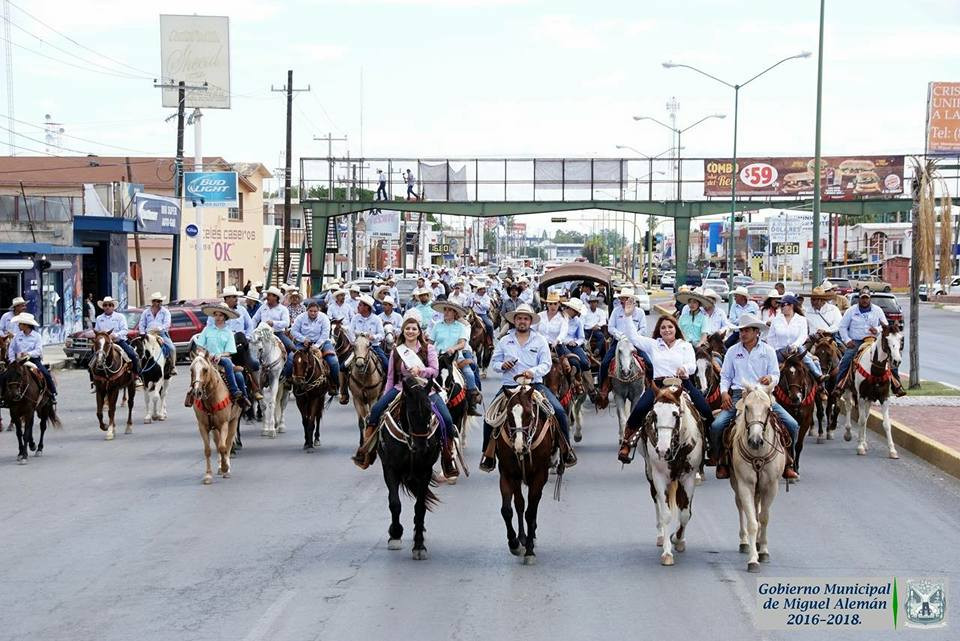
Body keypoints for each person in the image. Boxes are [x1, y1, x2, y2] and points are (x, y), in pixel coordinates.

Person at [355, 314, 459, 475]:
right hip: (401, 388)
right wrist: (385, 396)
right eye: (407, 329)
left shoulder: (428, 349)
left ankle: (447, 456)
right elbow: (390, 377)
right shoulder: (396, 352)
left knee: (447, 419)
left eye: (414, 329)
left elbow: (435, 371)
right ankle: (367, 451)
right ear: (403, 331)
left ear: (419, 332)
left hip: (425, 388)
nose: (410, 331)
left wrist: (420, 371)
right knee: (375, 412)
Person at [479, 303, 577, 472]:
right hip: (509, 386)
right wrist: (503, 366)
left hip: (534, 386)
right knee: (490, 418)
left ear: (530, 321)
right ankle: (487, 454)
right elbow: (494, 363)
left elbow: (546, 364)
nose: (522, 321)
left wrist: (532, 372)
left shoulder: (539, 340)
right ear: (514, 321)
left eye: (525, 318)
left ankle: (566, 450)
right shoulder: (504, 340)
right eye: (519, 318)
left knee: (559, 412)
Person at [707, 313, 799, 480]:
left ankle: (788, 463)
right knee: (716, 426)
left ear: (757, 332)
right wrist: (724, 393)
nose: (743, 334)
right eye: (741, 331)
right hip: (738, 396)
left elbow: (775, 374)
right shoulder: (732, 352)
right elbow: (725, 376)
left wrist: (770, 378)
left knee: (792, 425)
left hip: (764, 396)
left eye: (747, 330)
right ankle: (721, 460)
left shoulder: (768, 350)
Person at [620, 315, 713, 461]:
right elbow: (633, 337)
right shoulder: (653, 344)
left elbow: (693, 366)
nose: (667, 330)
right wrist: (628, 315)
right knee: (639, 409)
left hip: (681, 384)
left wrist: (684, 368)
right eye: (663, 327)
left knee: (705, 409)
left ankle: (710, 444)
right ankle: (627, 443)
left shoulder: (685, 345)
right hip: (659, 385)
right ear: (659, 330)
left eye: (670, 327)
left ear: (676, 329)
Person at [836, 288, 905, 396]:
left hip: (874, 340)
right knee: (846, 359)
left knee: (891, 357)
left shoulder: (877, 310)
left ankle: (897, 385)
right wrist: (847, 340)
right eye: (862, 298)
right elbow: (842, 326)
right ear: (859, 299)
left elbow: (885, 326)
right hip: (856, 341)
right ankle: (839, 386)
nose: (864, 300)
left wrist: (877, 329)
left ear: (870, 299)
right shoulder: (851, 311)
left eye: (866, 298)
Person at [188, 304, 250, 409]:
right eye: (216, 315)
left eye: (220, 315)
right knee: (196, 369)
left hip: (222, 359)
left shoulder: (229, 332)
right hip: (207, 359)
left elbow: (229, 351)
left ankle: (241, 397)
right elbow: (199, 346)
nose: (218, 317)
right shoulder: (207, 329)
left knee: (238, 375)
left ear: (225, 317)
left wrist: (219, 355)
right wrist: (207, 354)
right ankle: (190, 393)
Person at [430, 300, 482, 415]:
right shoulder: (437, 326)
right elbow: (430, 342)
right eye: (445, 310)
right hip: (438, 357)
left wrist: (454, 348)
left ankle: (471, 403)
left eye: (449, 310)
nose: (446, 312)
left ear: (455, 313)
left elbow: (462, 343)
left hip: (455, 357)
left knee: (469, 373)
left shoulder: (460, 327)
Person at [213, 285, 262, 401]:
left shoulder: (242, 310)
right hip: (224, 347)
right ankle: (255, 388)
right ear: (226, 299)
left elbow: (249, 326)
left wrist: (248, 337)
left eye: (236, 297)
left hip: (241, 343)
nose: (236, 299)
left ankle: (253, 388)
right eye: (234, 297)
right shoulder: (216, 314)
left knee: (254, 362)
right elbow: (211, 330)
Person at [599, 287, 651, 391]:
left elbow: (643, 329)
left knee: (649, 363)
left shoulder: (640, 312)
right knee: (604, 363)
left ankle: (651, 388)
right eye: (622, 299)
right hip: (619, 342)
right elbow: (611, 327)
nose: (623, 301)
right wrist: (620, 336)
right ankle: (603, 388)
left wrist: (634, 337)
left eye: (626, 299)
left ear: (632, 300)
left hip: (635, 343)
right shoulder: (616, 311)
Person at [283, 299, 340, 391]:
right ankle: (288, 380)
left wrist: (316, 346)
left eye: (315, 311)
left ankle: (334, 384)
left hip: (322, 342)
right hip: (303, 343)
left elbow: (325, 334)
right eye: (311, 311)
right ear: (307, 310)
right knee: (291, 358)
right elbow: (294, 331)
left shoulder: (324, 318)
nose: (313, 313)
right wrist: (303, 339)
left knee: (333, 361)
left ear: (319, 311)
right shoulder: (300, 318)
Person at [767, 294, 824, 382]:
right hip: (780, 351)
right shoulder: (776, 320)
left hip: (797, 350)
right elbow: (770, 338)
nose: (781, 307)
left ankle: (821, 388)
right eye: (780, 305)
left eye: (783, 305)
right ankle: (818, 375)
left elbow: (803, 335)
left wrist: (795, 345)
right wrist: (773, 351)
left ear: (791, 306)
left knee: (816, 360)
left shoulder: (801, 319)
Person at [5, 312, 56, 402]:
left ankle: (52, 393)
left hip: (33, 360)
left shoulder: (37, 336)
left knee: (45, 374)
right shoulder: (17, 336)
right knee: (5, 375)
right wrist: (12, 360)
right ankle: (3, 396)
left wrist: (28, 353)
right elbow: (11, 349)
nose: (19, 325)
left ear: (26, 325)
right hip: (18, 361)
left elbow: (38, 350)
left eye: (20, 324)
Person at [94, 296, 140, 375]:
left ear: (113, 307)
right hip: (104, 344)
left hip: (118, 341)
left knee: (132, 355)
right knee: (91, 359)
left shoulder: (120, 317)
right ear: (103, 307)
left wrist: (115, 335)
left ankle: (136, 375)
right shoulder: (99, 318)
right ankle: (94, 378)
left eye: (110, 305)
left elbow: (125, 330)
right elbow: (97, 332)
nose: (107, 307)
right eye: (105, 305)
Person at [345, 294, 389, 373]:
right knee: (343, 366)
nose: (358, 306)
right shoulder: (355, 318)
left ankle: (386, 383)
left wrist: (374, 337)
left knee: (386, 364)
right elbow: (350, 332)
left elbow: (382, 335)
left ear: (367, 307)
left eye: (360, 305)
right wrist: (355, 342)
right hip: (358, 348)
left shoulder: (376, 319)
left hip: (373, 347)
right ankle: (343, 385)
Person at [137, 292, 176, 377]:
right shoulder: (146, 312)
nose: (158, 303)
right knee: (138, 349)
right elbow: (142, 323)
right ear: (152, 302)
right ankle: (138, 369)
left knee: (172, 348)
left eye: (159, 301)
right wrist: (142, 333)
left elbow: (167, 323)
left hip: (161, 333)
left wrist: (159, 329)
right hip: (148, 334)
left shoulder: (165, 312)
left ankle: (172, 367)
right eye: (156, 301)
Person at [251, 286, 294, 352]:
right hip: (262, 332)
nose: (267, 297)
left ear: (275, 297)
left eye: (269, 295)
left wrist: (273, 323)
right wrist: (251, 330)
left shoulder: (283, 309)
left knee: (291, 346)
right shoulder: (263, 307)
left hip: (277, 333)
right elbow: (255, 319)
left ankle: (287, 360)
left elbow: (286, 323)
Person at [555, 298, 590, 375]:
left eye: (577, 312)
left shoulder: (577, 321)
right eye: (576, 311)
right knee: (574, 362)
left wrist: (576, 343)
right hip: (560, 345)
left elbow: (581, 337)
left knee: (584, 362)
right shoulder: (558, 318)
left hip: (573, 345)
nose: (577, 314)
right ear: (570, 309)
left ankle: (580, 380)